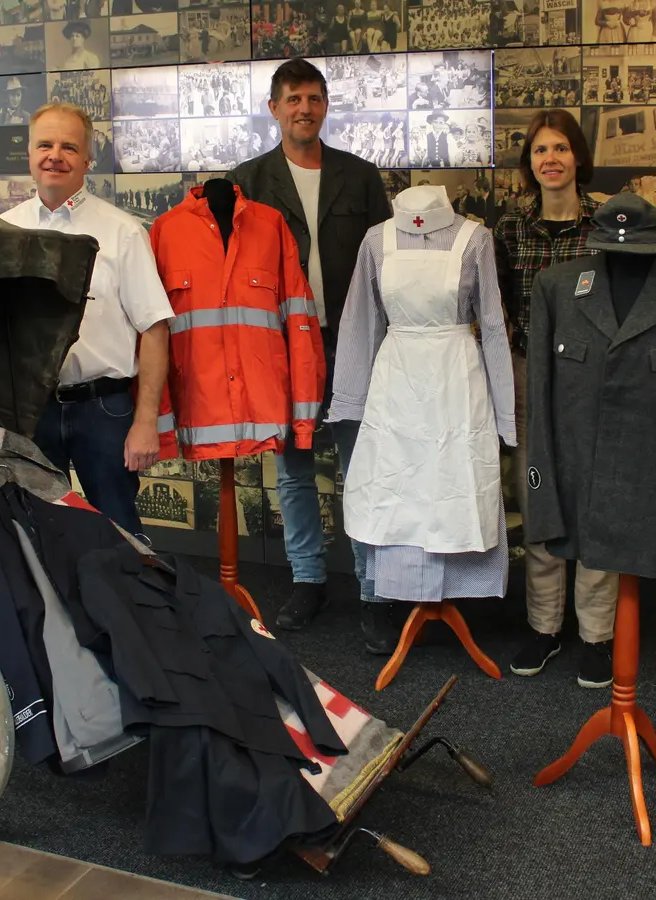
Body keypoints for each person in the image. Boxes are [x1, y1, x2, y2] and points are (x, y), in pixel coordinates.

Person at [227, 58, 394, 648]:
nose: (304, 108)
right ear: (274, 107)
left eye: (314, 98)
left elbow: (389, 267)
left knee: (364, 471)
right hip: (282, 345)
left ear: (326, 106)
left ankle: (374, 591)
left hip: (354, 341)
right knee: (295, 472)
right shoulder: (246, 181)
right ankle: (307, 580)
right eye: (293, 98)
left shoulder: (361, 176)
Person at [0, 103, 173, 538]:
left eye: (69, 147)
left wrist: (146, 421)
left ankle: (126, 607)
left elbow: (154, 328)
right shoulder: (3, 231)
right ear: (30, 155)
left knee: (118, 531)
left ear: (86, 160)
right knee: (38, 527)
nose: (55, 155)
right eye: (45, 144)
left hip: (103, 408)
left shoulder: (122, 231)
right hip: (32, 410)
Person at [491, 108, 620, 689]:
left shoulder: (609, 224)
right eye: (540, 150)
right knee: (538, 495)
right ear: (530, 164)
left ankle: (596, 635)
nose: (551, 160)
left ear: (578, 158)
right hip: (529, 378)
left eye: (561, 148)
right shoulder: (510, 229)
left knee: (593, 504)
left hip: (594, 382)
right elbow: (496, 314)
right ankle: (544, 628)